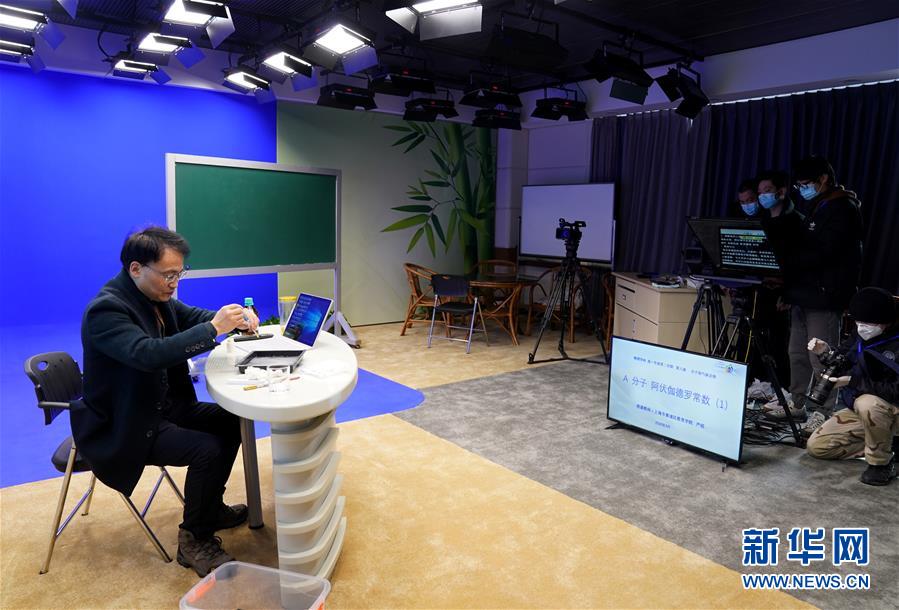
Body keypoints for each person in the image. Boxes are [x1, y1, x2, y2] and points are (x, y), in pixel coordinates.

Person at [70, 226, 260, 576]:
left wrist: (234, 320)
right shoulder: (106, 310)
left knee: (233, 420)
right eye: (168, 274)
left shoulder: (156, 296)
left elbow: (194, 318)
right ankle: (194, 539)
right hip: (126, 424)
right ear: (136, 268)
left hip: (160, 406)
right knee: (207, 449)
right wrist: (214, 329)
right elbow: (148, 354)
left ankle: (209, 509)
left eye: (179, 274)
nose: (174, 283)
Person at [760, 156, 863, 434]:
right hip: (803, 295)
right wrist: (787, 289)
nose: (802, 189)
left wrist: (786, 263)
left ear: (824, 179)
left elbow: (824, 254)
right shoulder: (819, 205)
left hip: (825, 297)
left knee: (822, 359)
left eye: (805, 184)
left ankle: (824, 412)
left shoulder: (843, 208)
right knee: (796, 353)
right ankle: (797, 403)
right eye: (799, 185)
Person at [806, 287, 899, 486]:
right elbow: (843, 360)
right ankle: (887, 444)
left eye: (868, 323)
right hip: (866, 413)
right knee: (818, 446)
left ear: (886, 320)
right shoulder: (861, 335)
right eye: (858, 322)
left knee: (868, 403)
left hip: (890, 409)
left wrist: (853, 382)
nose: (862, 328)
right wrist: (825, 353)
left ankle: (881, 464)